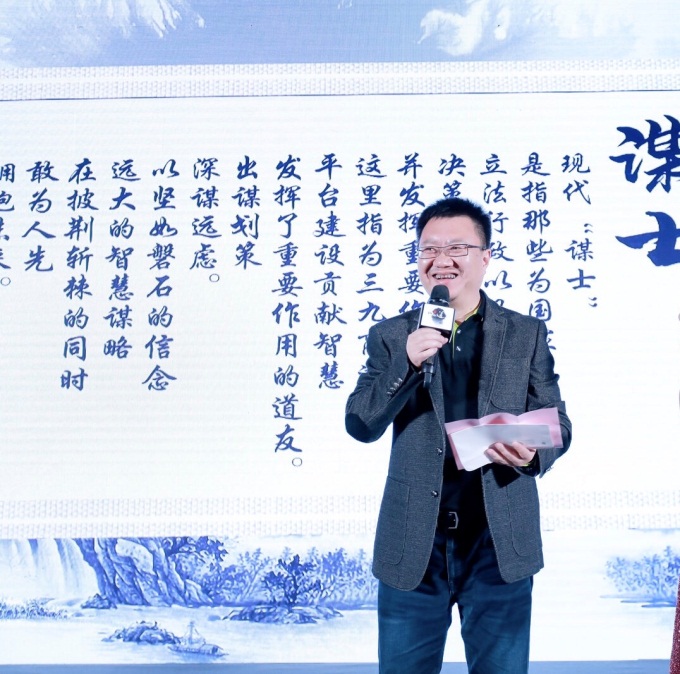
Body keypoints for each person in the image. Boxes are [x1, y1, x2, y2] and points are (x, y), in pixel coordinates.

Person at [345, 197, 572, 674]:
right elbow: (361, 424)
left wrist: (531, 454)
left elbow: (558, 424)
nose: (440, 259)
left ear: (485, 257)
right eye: (429, 249)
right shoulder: (392, 335)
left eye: (457, 248)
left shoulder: (525, 333)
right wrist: (407, 362)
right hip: (414, 543)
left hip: (498, 543)